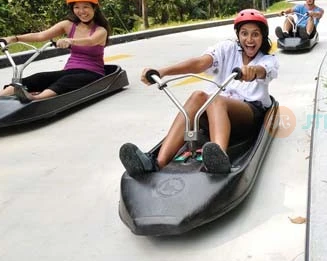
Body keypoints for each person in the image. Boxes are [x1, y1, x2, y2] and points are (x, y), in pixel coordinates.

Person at [119, 9, 278, 175]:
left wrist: (252, 71)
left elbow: (262, 71)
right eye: (244, 33)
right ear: (238, 35)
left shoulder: (268, 60)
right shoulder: (227, 48)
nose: (249, 40)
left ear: (263, 36)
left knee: (216, 99)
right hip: (213, 111)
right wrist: (162, 71)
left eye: (255, 34)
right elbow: (199, 63)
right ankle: (157, 162)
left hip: (248, 115)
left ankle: (219, 159)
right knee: (198, 96)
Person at [0, 0, 110, 104]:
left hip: (92, 73)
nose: (81, 11)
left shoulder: (100, 30)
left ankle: (35, 99)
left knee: (67, 81)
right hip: (69, 70)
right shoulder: (68, 25)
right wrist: (13, 38)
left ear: (94, 8)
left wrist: (70, 41)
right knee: (38, 77)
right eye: (77, 7)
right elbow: (41, 35)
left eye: (86, 7)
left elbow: (91, 41)